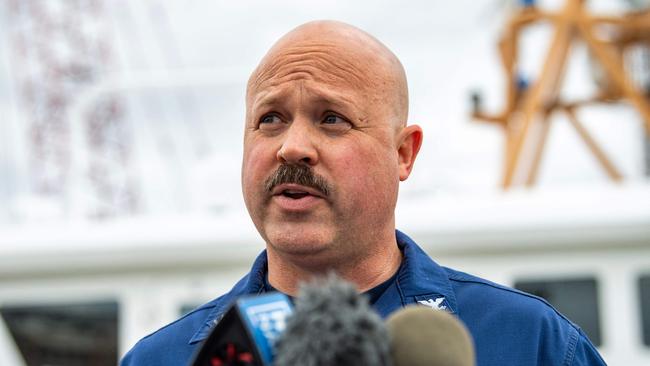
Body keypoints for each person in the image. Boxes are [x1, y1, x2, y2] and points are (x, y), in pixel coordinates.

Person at [121, 20, 606, 365]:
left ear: (403, 154)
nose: (292, 147)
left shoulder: (532, 343)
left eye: (332, 118)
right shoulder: (158, 359)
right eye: (270, 119)